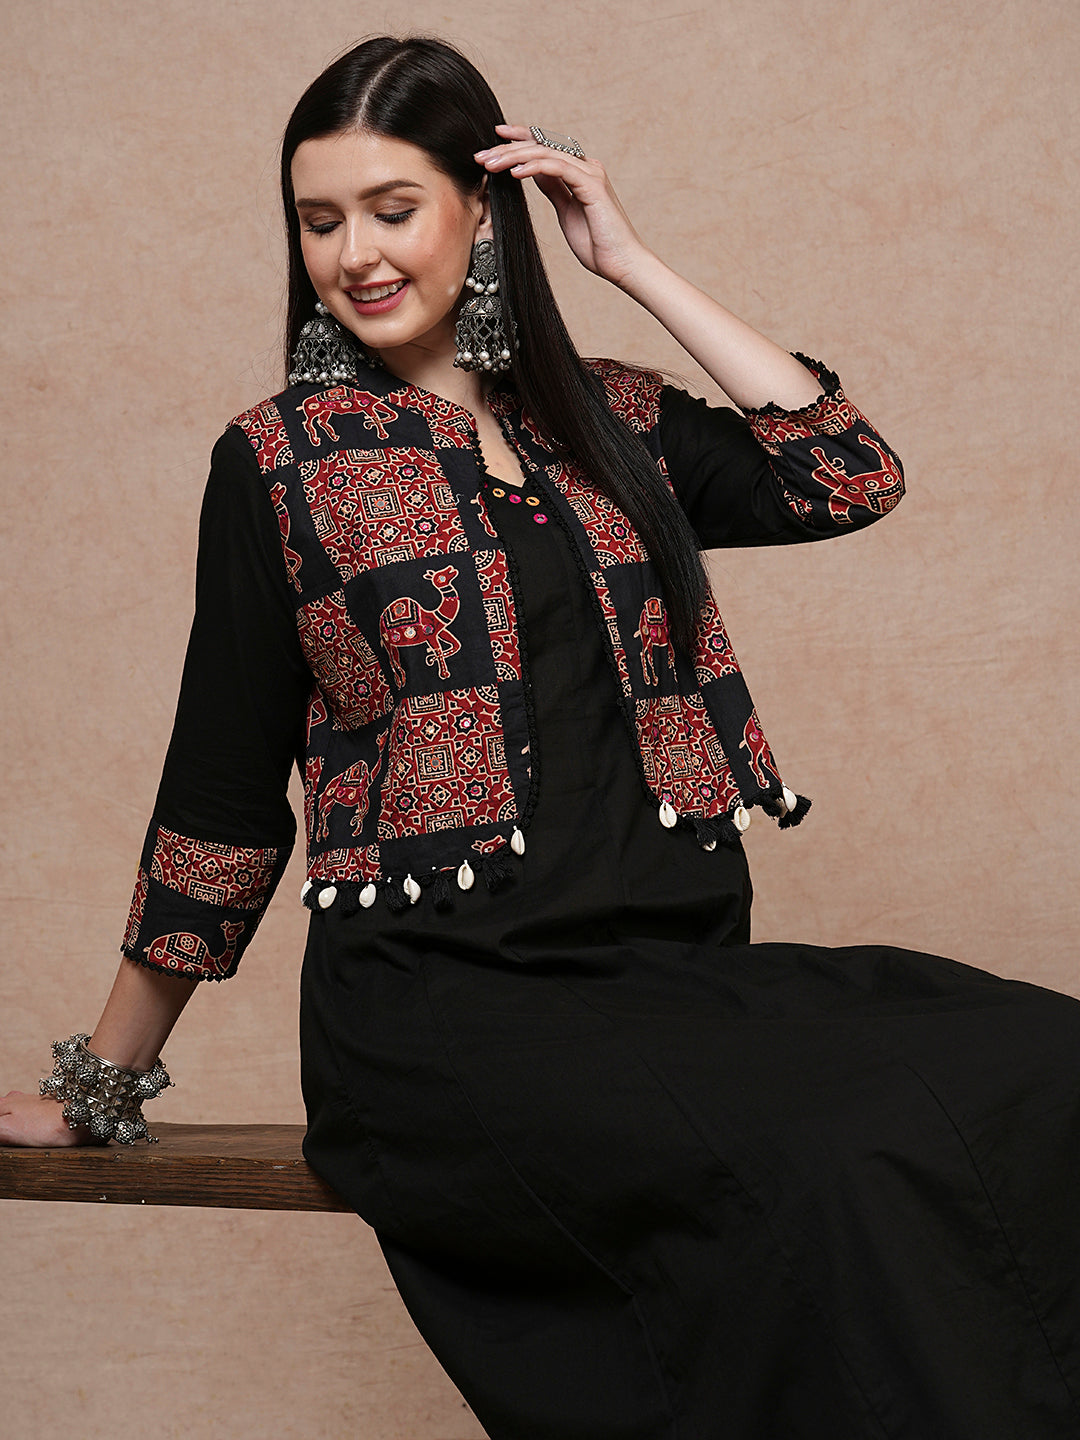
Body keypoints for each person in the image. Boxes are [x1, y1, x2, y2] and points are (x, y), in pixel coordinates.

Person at [3, 33, 1079, 1440]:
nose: (353, 254)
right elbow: (221, 788)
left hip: (669, 985)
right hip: (444, 1017)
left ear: (482, 211)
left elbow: (847, 475)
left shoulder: (616, 423)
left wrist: (625, 259)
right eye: (318, 221)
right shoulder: (282, 461)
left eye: (393, 209)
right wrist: (103, 1080)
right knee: (845, 1156)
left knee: (1039, 1065)